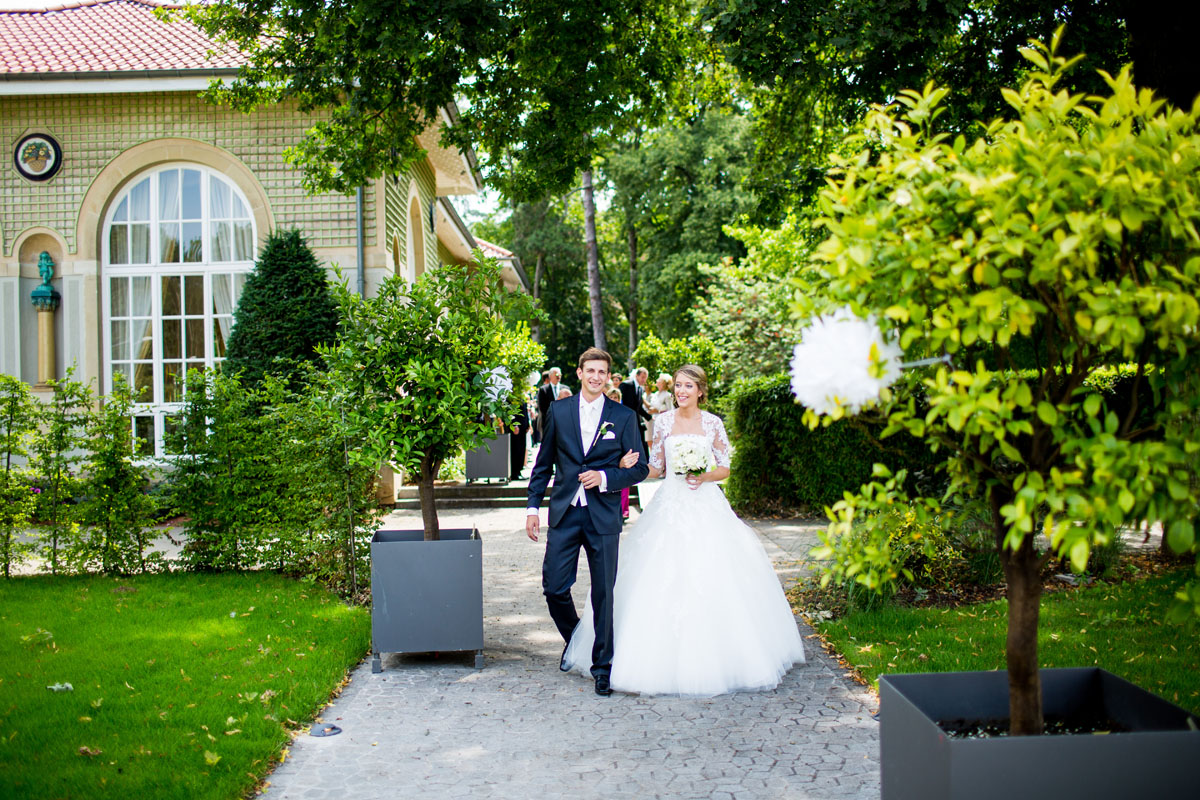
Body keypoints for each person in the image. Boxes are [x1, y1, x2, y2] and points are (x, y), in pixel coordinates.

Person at [562, 364, 806, 696]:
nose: (681, 391)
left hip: (705, 502)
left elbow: (725, 468)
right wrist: (622, 468)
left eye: (688, 386)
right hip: (670, 502)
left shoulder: (712, 423)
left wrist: (704, 476)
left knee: (716, 575)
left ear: (700, 391)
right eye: (678, 386)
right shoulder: (662, 422)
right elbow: (657, 466)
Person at [526, 348, 649, 697]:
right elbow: (543, 464)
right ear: (579, 373)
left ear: (609, 377)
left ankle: (602, 666)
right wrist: (532, 508)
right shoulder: (559, 411)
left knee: (603, 592)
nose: (596, 377)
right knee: (553, 587)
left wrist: (607, 476)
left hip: (603, 515)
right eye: (590, 370)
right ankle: (577, 639)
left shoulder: (623, 417)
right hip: (565, 513)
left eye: (602, 372)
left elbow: (640, 467)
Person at [619, 367, 654, 458]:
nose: (644, 380)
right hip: (625, 420)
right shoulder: (626, 385)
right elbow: (620, 403)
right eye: (642, 377)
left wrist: (650, 418)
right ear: (637, 376)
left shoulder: (640, 389)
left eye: (645, 378)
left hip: (636, 420)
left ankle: (645, 462)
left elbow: (639, 408)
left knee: (642, 441)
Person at [645, 372, 674, 449]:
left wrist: (658, 411)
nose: (657, 382)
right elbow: (651, 406)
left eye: (659, 381)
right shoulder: (655, 394)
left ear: (664, 383)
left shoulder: (667, 395)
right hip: (654, 420)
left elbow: (670, 410)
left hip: (664, 421)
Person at [536, 368, 561, 443]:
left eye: (560, 374)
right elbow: (542, 408)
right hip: (548, 423)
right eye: (556, 374)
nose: (558, 376)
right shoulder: (543, 390)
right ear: (550, 376)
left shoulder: (565, 389)